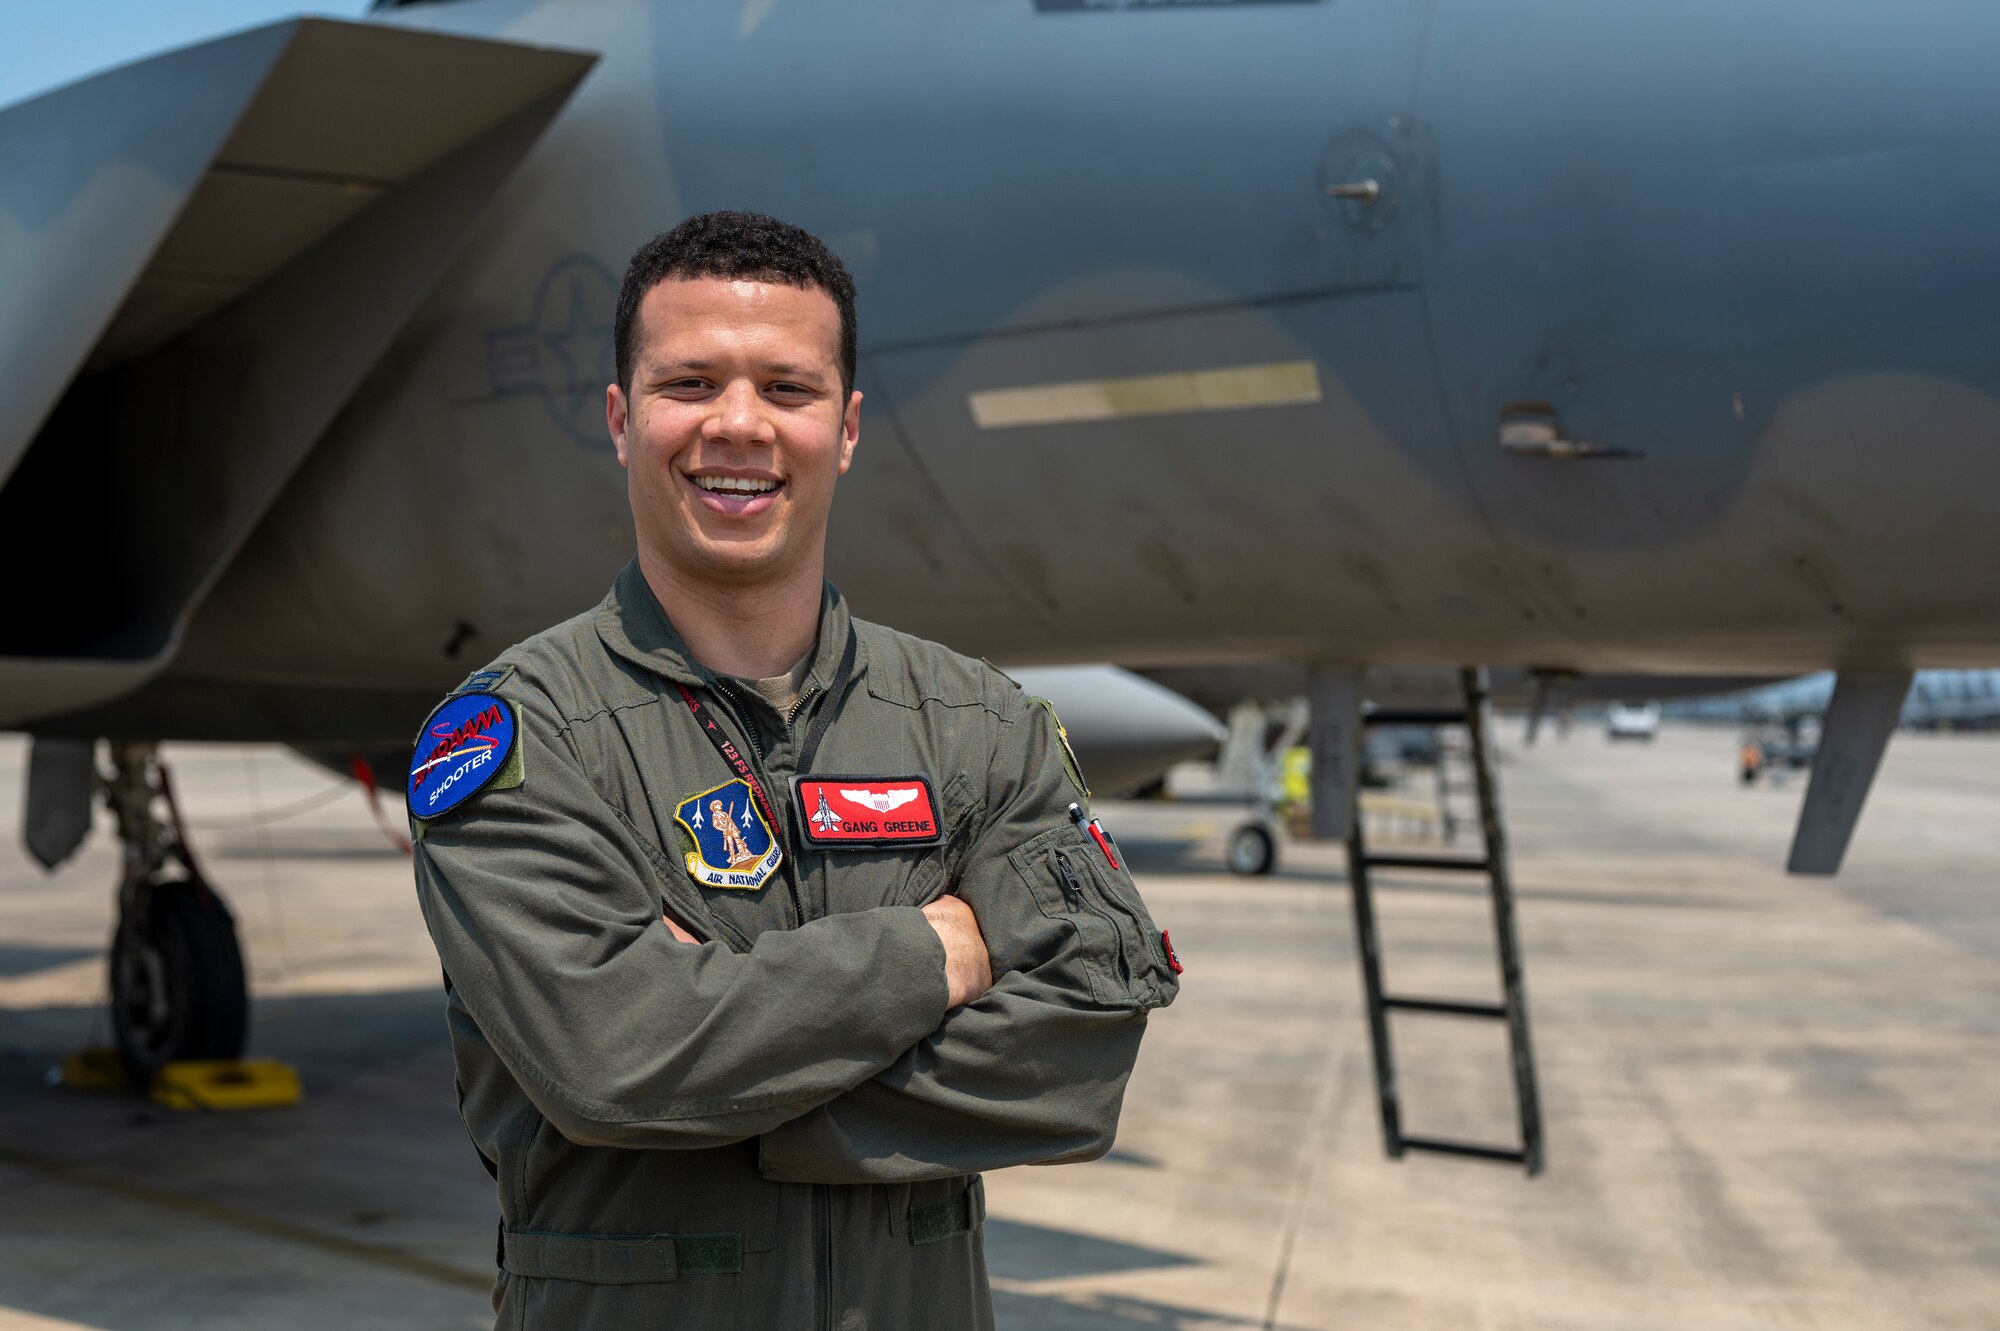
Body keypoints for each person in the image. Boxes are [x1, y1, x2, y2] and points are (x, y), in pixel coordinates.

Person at [408, 210, 1179, 1329]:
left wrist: (725, 1085)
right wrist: (935, 948)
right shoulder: (522, 734)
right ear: (621, 419)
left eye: (786, 388)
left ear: (848, 426)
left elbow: (1080, 1051)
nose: (736, 426)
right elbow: (612, 1056)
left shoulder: (974, 723)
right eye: (688, 383)